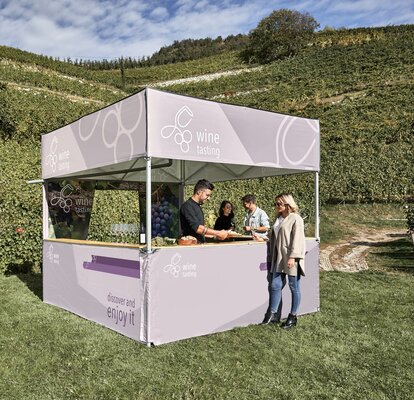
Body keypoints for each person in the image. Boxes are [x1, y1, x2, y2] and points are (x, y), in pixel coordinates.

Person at [262, 193, 305, 329]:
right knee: (275, 285)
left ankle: (293, 317)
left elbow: (298, 239)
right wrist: (264, 238)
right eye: (275, 204)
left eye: (279, 204)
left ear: (287, 204)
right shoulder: (279, 218)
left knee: (294, 287)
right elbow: (275, 236)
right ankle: (273, 315)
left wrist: (293, 257)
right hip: (279, 257)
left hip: (291, 257)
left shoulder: (295, 219)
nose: (276, 206)